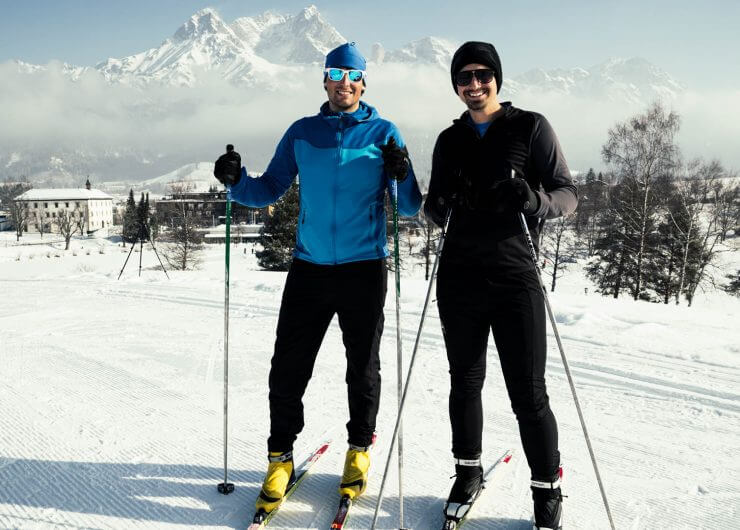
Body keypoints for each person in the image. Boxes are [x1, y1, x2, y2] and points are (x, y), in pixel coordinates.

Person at [214, 42, 422, 517]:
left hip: (363, 267)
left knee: (363, 368)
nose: (343, 81)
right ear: (324, 80)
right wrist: (236, 178)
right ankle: (280, 456)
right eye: (334, 72)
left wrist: (403, 172)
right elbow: (268, 189)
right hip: (309, 267)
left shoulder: (384, 132)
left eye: (352, 73)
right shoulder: (302, 133)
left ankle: (358, 450)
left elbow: (408, 205)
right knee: (288, 366)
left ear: (364, 81)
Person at [424, 41, 577, 530]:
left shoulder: (530, 126)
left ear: (497, 78)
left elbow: (567, 194)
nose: (474, 84)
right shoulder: (449, 141)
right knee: (464, 382)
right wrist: (438, 203)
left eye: (482, 75)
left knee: (528, 393)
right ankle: (467, 471)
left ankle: (546, 488)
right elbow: (431, 209)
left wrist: (533, 200)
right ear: (455, 84)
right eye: (464, 77)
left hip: (515, 276)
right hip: (459, 277)